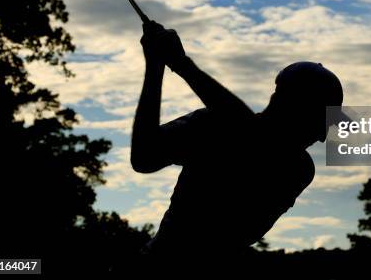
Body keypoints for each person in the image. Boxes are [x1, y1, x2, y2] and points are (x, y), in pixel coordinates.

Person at [130, 20, 344, 270]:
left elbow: (252, 137)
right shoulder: (220, 124)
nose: (322, 136)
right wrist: (157, 67)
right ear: (294, 110)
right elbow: (144, 158)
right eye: (322, 122)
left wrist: (176, 63)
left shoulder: (298, 168)